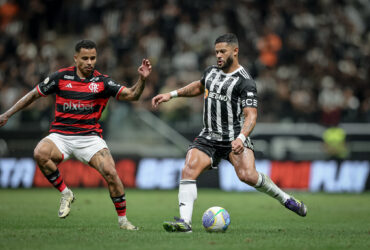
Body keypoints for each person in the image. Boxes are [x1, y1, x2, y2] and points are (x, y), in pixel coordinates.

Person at [152, 33, 307, 233]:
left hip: (234, 138)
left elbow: (251, 115)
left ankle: (287, 200)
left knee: (248, 176)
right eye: (216, 51)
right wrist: (171, 94)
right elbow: (199, 86)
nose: (218, 55)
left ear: (235, 51)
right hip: (208, 137)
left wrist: (241, 138)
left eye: (223, 51)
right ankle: (185, 223)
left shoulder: (245, 82)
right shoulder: (211, 72)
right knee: (188, 168)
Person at [0, 40, 152, 230]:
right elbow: (33, 94)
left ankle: (123, 221)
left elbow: (132, 95)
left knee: (112, 173)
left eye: (93, 58)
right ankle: (65, 193)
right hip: (60, 136)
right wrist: (7, 114)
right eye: (85, 58)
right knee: (40, 153)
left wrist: (143, 79)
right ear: (76, 58)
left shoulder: (102, 82)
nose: (90, 62)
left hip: (89, 138)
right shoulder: (61, 77)